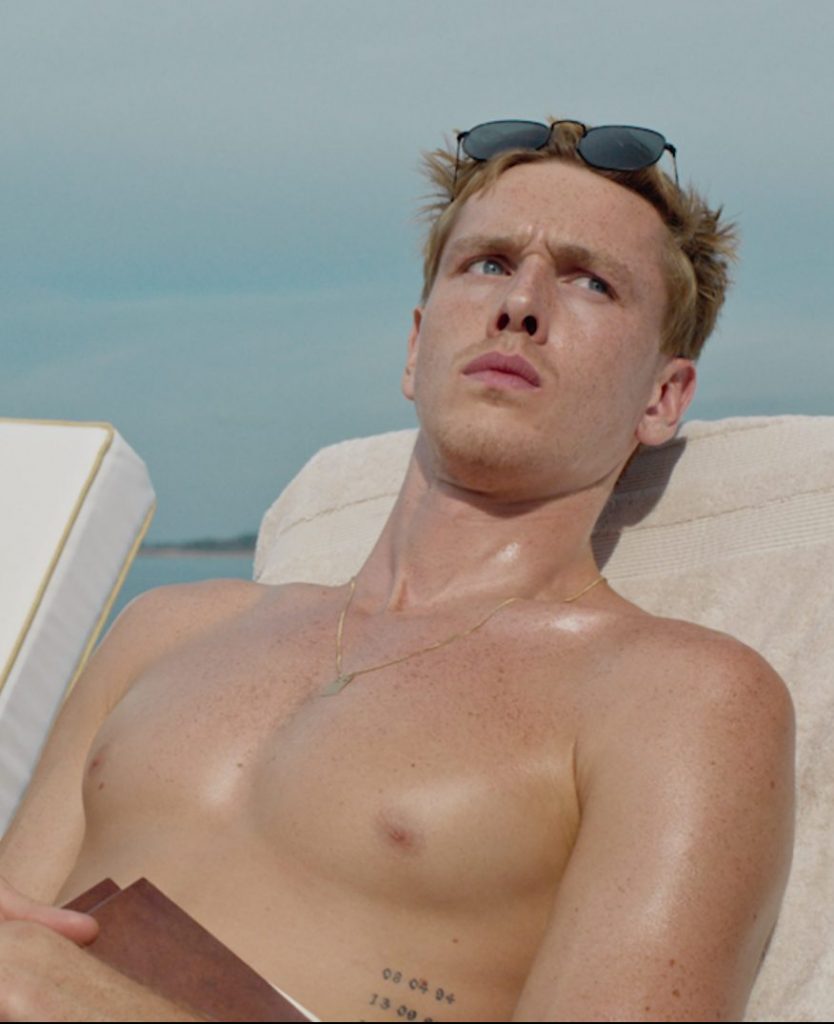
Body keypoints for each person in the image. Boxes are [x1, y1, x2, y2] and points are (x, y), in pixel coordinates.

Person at [0, 118, 794, 1022]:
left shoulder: (677, 696)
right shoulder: (167, 629)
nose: (521, 303)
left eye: (591, 282)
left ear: (663, 396)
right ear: (416, 347)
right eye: (488, 263)